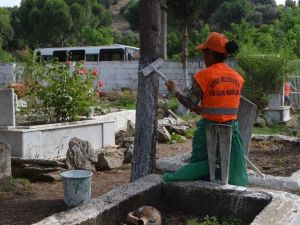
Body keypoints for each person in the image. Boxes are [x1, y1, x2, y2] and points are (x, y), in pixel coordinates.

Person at [163, 32, 248, 186]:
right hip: (231, 130)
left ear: (211, 54)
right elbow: (223, 104)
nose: (203, 56)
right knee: (226, 164)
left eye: (204, 52)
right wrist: (201, 109)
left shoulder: (204, 76)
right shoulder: (237, 77)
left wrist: (175, 90)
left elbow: (190, 103)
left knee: (202, 163)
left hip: (209, 130)